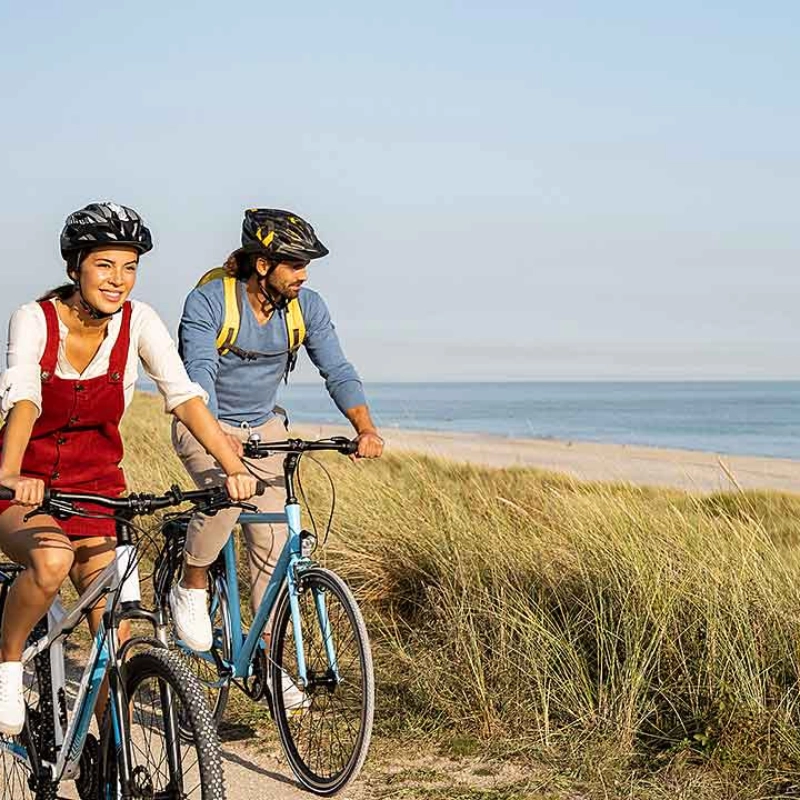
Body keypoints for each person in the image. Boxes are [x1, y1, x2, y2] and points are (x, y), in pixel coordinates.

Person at [0, 202, 258, 735]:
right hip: (23, 487)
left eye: (129, 267)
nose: (118, 280)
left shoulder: (139, 321)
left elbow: (184, 398)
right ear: (75, 268)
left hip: (99, 491)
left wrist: (233, 467)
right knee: (50, 562)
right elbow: (23, 397)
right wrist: (10, 474)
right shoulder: (34, 319)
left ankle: (108, 763)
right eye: (104, 266)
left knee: (113, 644)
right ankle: (6, 664)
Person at [170, 208, 383, 661]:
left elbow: (337, 369)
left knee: (274, 548)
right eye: (295, 264)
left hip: (265, 429)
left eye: (307, 264)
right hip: (204, 421)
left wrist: (364, 428)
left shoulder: (307, 308)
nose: (303, 275)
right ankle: (191, 582)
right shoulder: (210, 302)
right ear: (263, 265)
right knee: (226, 498)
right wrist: (218, 438)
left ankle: (267, 662)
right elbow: (198, 374)